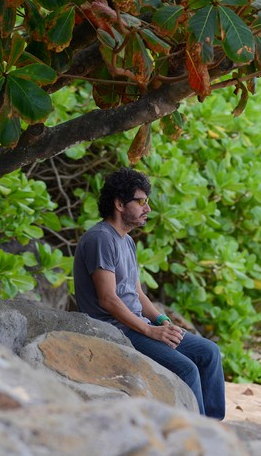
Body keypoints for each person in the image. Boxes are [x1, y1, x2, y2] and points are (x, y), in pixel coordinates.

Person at [73, 167, 226, 420]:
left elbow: (136, 292)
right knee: (187, 369)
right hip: (115, 329)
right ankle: (197, 435)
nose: (148, 208)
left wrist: (161, 321)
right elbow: (108, 299)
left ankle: (213, 427)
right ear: (120, 204)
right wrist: (150, 331)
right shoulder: (101, 238)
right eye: (141, 201)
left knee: (208, 352)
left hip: (138, 325)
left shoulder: (127, 240)